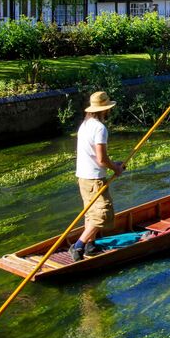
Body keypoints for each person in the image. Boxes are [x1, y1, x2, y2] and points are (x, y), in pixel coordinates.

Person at [70, 91, 125, 262]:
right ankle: (79, 245)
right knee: (103, 213)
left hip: (83, 176)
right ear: (104, 110)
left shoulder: (85, 125)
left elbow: (93, 155)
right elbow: (101, 159)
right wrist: (115, 168)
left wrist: (115, 163)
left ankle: (90, 246)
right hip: (94, 178)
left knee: (90, 211)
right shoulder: (100, 128)